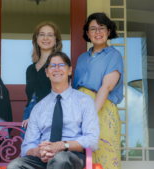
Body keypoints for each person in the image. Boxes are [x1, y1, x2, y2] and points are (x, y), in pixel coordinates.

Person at [8, 52, 100, 169]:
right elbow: (27, 146)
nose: (56, 69)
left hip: (71, 155)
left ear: (70, 70)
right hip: (43, 157)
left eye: (61, 65)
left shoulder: (85, 101)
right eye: (52, 66)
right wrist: (38, 151)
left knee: (59, 160)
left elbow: (92, 139)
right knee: (15, 165)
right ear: (47, 72)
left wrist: (62, 145)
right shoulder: (39, 108)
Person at [73, 12, 123, 169]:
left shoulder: (114, 55)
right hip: (79, 111)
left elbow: (106, 87)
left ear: (109, 31)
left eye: (102, 28)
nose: (97, 32)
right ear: (87, 33)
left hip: (102, 110)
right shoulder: (81, 58)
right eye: (93, 29)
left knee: (104, 158)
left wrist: (90, 115)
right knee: (82, 158)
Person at [21, 22, 63, 138]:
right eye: (42, 34)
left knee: (46, 153)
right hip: (28, 115)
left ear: (56, 40)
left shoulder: (59, 65)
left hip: (50, 115)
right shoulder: (30, 69)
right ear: (36, 39)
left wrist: (36, 117)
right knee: (28, 153)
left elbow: (60, 95)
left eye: (50, 35)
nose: (45, 38)